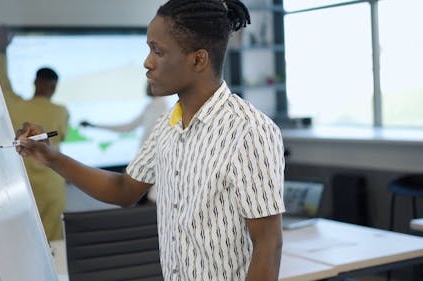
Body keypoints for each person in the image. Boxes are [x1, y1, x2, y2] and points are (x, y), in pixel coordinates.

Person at [15, 0, 285, 280]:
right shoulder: (166, 128)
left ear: (198, 59)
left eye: (158, 51)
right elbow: (123, 189)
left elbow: (269, 245)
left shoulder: (249, 130)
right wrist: (51, 157)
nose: (147, 62)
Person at [0, 26, 70, 241]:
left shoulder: (15, 106)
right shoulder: (61, 111)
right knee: (54, 242)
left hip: (21, 185)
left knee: (25, 240)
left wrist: (2, 49)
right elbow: (61, 137)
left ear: (35, 82)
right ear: (54, 87)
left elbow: (1, 82)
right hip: (51, 185)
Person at [79, 82, 170, 203]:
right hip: (145, 162)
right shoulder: (150, 106)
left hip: (155, 164)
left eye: (150, 84)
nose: (146, 87)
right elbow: (127, 127)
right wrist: (94, 126)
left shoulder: (162, 106)